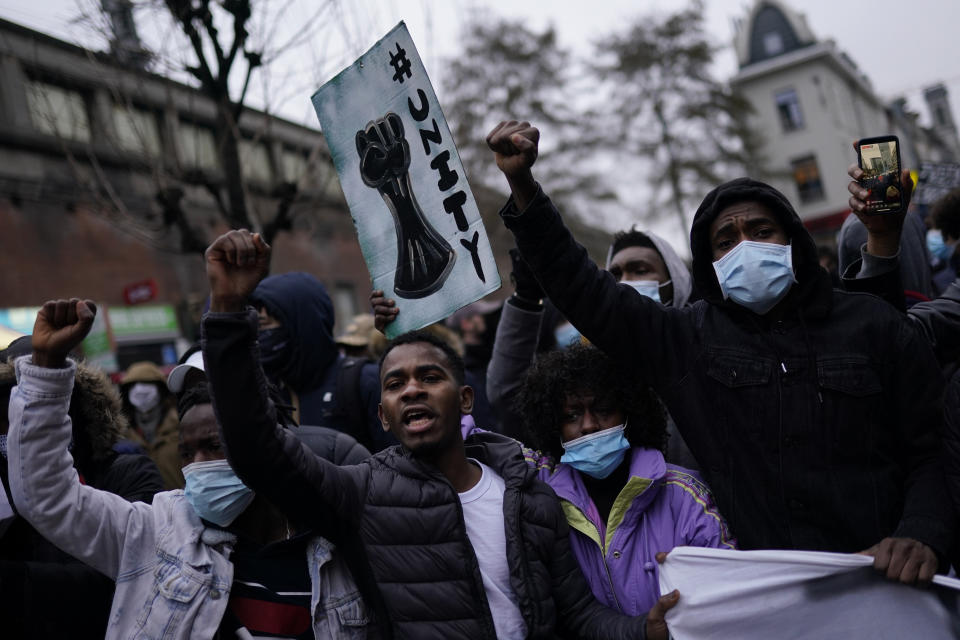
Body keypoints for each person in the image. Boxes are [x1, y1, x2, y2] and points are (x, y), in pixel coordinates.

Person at [484, 119, 952, 585]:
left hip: (888, 585)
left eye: (761, 230)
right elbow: (581, 286)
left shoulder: (872, 323)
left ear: (793, 242)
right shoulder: (687, 341)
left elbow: (929, 451)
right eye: (726, 241)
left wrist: (921, 533)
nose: (744, 246)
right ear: (710, 264)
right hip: (767, 601)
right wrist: (523, 184)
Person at [201, 229, 678, 639]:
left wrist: (641, 630)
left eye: (430, 378)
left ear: (464, 400)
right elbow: (257, 450)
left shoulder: (529, 493)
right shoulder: (361, 493)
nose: (412, 390)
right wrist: (226, 315)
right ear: (384, 417)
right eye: (395, 384)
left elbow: (578, 613)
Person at [6, 299, 377, 639]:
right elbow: (47, 495)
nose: (198, 466)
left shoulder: (338, 548)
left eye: (215, 446)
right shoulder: (154, 533)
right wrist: (46, 371)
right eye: (186, 452)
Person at [512, 343, 735, 615]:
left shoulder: (686, 496)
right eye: (572, 415)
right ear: (553, 426)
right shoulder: (546, 503)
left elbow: (728, 593)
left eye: (603, 409)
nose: (589, 425)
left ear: (629, 412)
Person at [0, 334, 163, 639]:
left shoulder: (128, 474)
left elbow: (134, 578)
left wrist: (14, 581)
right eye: (12, 412)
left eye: (46, 410)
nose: (25, 425)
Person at [251, 271, 394, 452]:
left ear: (302, 323)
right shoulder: (267, 395)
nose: (259, 336)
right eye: (256, 327)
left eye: (265, 325)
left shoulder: (366, 382)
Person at [118, 360, 184, 489]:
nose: (140, 390)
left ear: (161, 390)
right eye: (133, 385)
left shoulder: (182, 425)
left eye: (147, 384)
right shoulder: (119, 434)